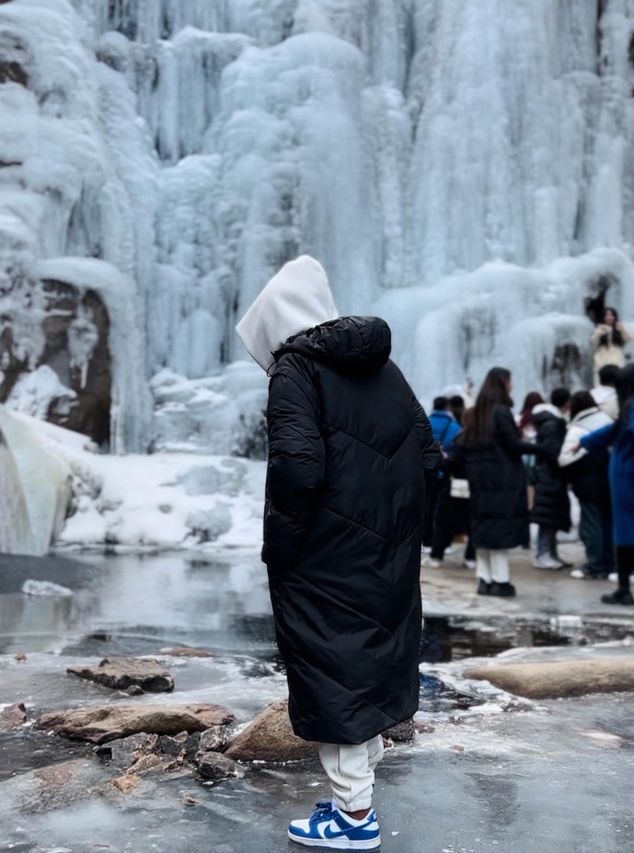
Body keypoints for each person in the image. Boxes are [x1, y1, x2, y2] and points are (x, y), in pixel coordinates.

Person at [236, 255, 440, 848]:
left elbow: (296, 470)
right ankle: (356, 791)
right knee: (366, 665)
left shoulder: (295, 370)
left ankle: (354, 818)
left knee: (335, 669)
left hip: (324, 554)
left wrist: (281, 547)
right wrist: (396, 528)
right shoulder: (386, 369)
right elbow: (429, 457)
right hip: (384, 551)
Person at [453, 367, 544, 597]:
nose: (512, 385)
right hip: (502, 480)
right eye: (510, 381)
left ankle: (484, 579)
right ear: (502, 383)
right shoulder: (501, 412)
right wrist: (541, 449)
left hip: (479, 482)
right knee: (500, 533)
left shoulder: (474, 414)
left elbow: (460, 446)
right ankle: (501, 581)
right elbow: (513, 445)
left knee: (483, 530)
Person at [579, 363, 634, 606]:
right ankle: (623, 587)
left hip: (628, 478)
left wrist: (585, 442)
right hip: (627, 476)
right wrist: (585, 441)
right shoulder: (633, 405)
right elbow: (614, 430)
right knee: (628, 532)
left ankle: (623, 588)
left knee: (626, 532)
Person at [558, 391, 614, 579]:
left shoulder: (578, 428)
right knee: (607, 523)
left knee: (591, 524)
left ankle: (595, 565)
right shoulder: (607, 420)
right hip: (609, 480)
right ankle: (609, 563)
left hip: (588, 482)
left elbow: (564, 459)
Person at [530, 388, 572, 570]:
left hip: (549, 475)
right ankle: (543, 554)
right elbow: (552, 451)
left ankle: (550, 553)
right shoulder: (553, 424)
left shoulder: (550, 422)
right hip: (549, 476)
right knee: (547, 517)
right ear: (566, 403)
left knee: (551, 517)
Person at [427, 397, 465, 566]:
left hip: (426, 472)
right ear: (447, 407)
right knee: (440, 512)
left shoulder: (424, 421)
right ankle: (442, 543)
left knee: (426, 508)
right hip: (444, 474)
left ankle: (426, 542)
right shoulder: (454, 426)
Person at [591, 307, 631, 378]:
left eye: (611, 315)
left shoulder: (619, 328)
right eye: (606, 315)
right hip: (602, 357)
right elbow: (593, 343)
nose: (609, 317)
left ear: (615, 317)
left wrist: (622, 329)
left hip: (617, 357)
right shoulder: (599, 328)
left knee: (618, 377)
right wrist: (599, 333)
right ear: (603, 317)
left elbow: (628, 339)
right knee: (601, 377)